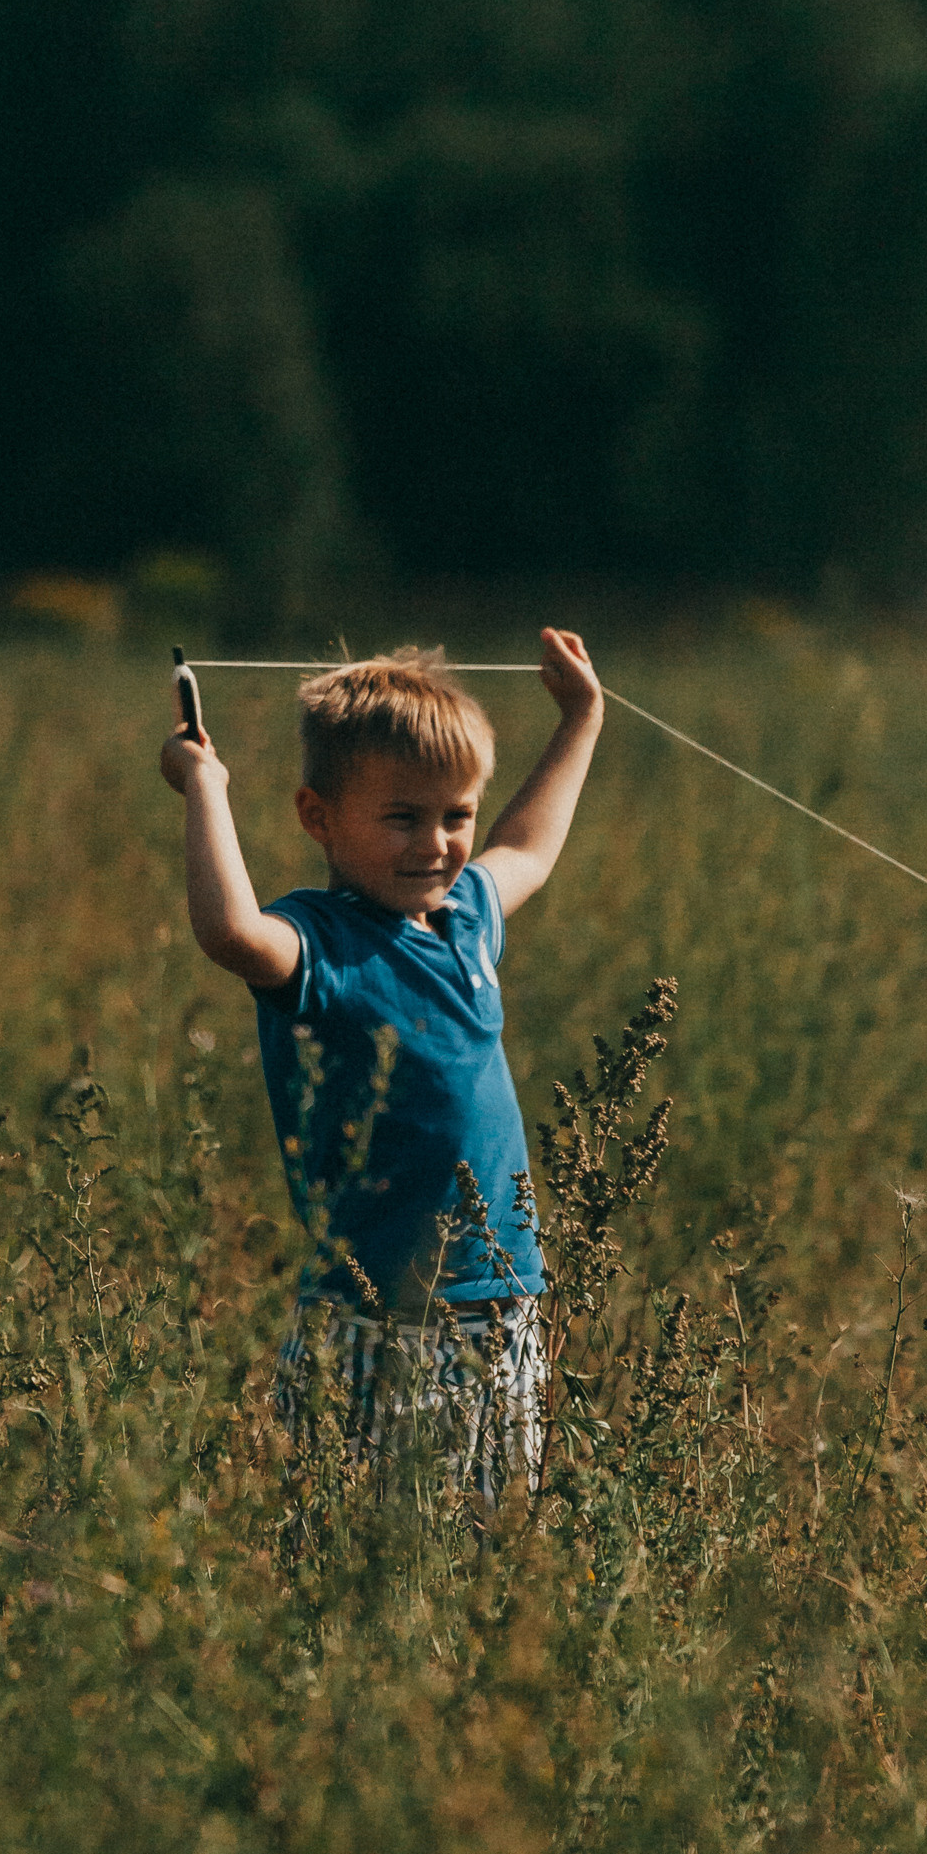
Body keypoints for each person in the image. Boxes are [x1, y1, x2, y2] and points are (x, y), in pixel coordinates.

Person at [159, 632, 605, 1506]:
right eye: (402, 818)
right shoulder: (319, 941)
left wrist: (582, 720)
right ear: (319, 817)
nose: (435, 844)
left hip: (502, 1309)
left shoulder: (467, 914)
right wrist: (206, 787)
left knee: (485, 1537)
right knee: (351, 1536)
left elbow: (529, 849)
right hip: (374, 1322)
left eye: (455, 816)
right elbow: (229, 933)